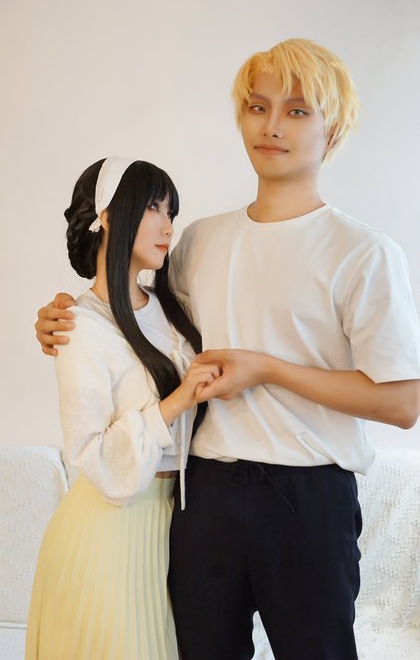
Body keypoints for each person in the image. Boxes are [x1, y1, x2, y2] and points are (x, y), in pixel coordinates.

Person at [35, 39, 420, 660]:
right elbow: (133, 323)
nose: (271, 126)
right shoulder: (197, 242)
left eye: (297, 111)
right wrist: (62, 316)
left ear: (333, 130)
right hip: (202, 496)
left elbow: (403, 403)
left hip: (308, 498)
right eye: (257, 107)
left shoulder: (363, 252)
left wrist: (268, 369)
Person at [26, 156, 219, 660]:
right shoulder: (78, 325)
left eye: (171, 212)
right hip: (108, 532)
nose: (167, 226)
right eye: (153, 207)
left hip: (174, 527)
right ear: (108, 216)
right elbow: (89, 451)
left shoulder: (172, 307)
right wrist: (177, 402)